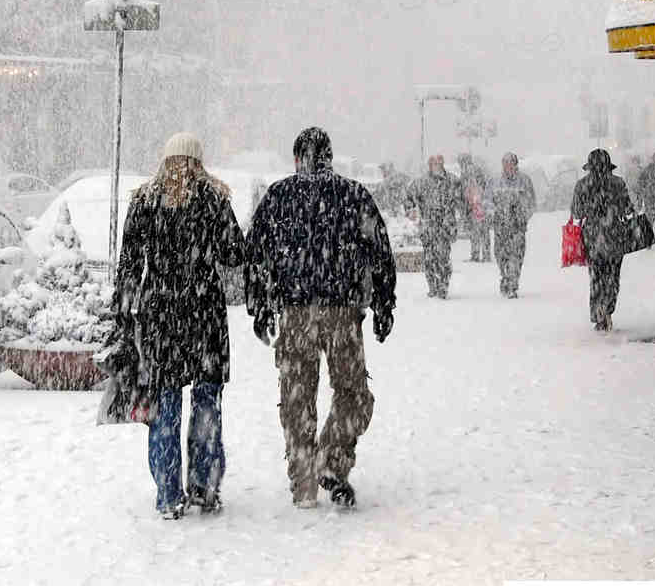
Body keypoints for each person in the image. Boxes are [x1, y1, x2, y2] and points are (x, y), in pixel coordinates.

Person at [244, 127, 396, 510]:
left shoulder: (279, 196)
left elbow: (254, 254)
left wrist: (259, 304)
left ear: (297, 158)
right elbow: (379, 250)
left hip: (296, 316)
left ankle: (304, 481)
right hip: (342, 314)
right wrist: (384, 302)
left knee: (296, 401)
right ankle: (332, 458)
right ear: (329, 156)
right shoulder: (352, 195)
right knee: (354, 394)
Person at [114, 132, 245, 519]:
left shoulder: (144, 202)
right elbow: (235, 253)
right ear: (199, 162)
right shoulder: (213, 201)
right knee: (206, 406)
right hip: (204, 316)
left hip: (161, 319)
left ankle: (169, 494)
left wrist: (124, 313)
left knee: (165, 407)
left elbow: (130, 265)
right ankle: (204, 488)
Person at [570, 148, 634, 332]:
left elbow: (576, 212)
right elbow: (628, 209)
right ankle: (608, 309)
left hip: (593, 238)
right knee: (612, 277)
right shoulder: (618, 183)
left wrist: (592, 210)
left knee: (597, 277)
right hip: (615, 237)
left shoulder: (582, 185)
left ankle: (599, 313)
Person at [405, 154, 462, 298]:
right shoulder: (421, 182)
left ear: (443, 163)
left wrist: (460, 215)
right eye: (433, 163)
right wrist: (410, 210)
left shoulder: (453, 181)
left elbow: (462, 201)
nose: (437, 165)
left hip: (445, 225)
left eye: (439, 162)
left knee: (443, 257)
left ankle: (443, 286)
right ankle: (432, 286)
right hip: (428, 224)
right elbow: (408, 198)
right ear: (429, 165)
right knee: (429, 258)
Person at [485, 151, 536, 297]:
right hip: (500, 226)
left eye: (511, 163)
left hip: (517, 227)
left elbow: (531, 202)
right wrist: (493, 213)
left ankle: (512, 284)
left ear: (516, 165)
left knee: (516, 256)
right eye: (506, 163)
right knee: (501, 255)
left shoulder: (525, 181)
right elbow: (487, 201)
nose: (508, 166)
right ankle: (505, 276)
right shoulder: (494, 181)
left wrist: (522, 216)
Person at [457, 154, 490, 262]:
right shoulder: (477, 170)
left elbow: (465, 190)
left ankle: (476, 255)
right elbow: (484, 185)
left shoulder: (467, 172)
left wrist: (467, 204)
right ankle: (486, 254)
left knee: (475, 232)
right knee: (483, 232)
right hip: (481, 205)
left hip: (474, 205)